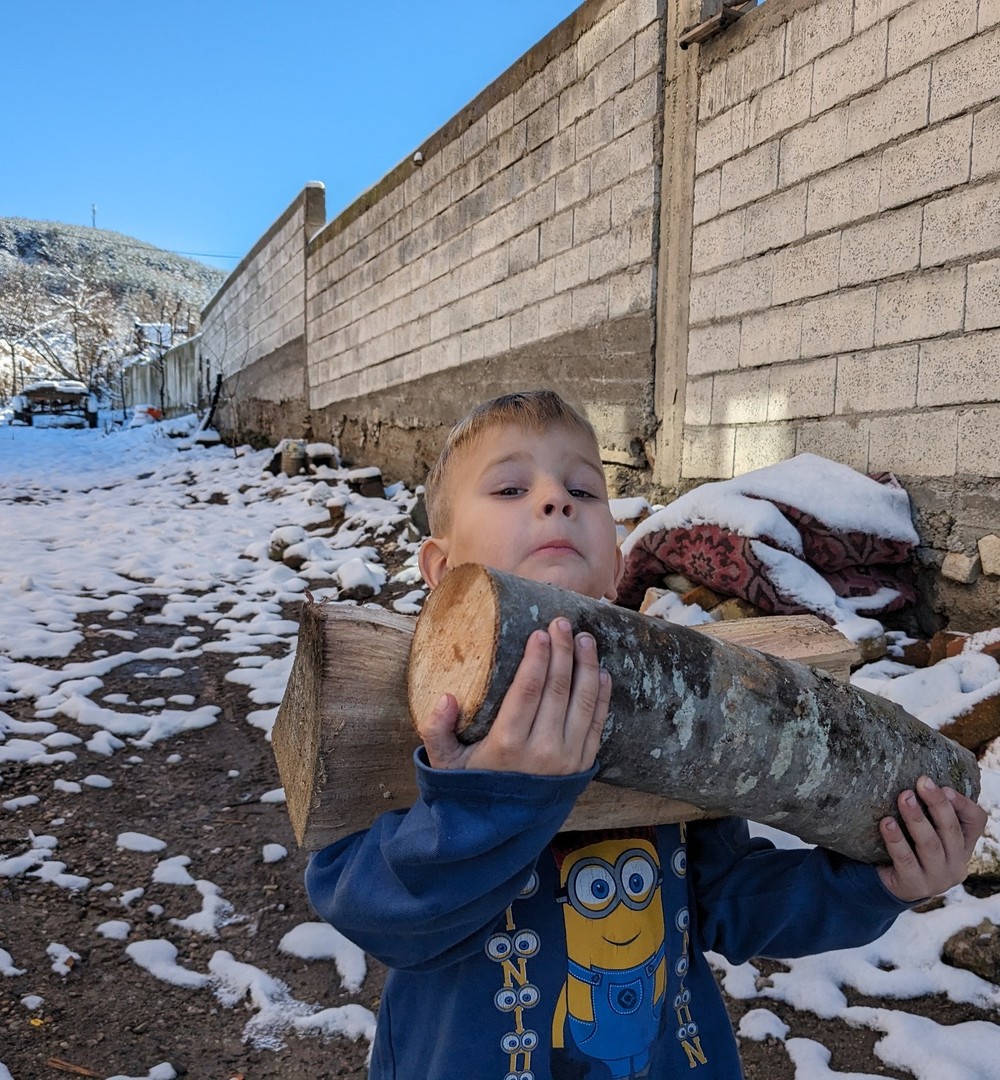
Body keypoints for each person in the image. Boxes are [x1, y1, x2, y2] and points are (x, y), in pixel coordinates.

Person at [306, 389, 986, 1080]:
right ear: (439, 569)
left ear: (613, 566)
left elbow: (730, 903)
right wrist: (484, 800)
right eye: (511, 486)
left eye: (583, 489)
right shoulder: (411, 721)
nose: (555, 500)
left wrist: (880, 885)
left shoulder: (676, 714)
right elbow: (379, 916)